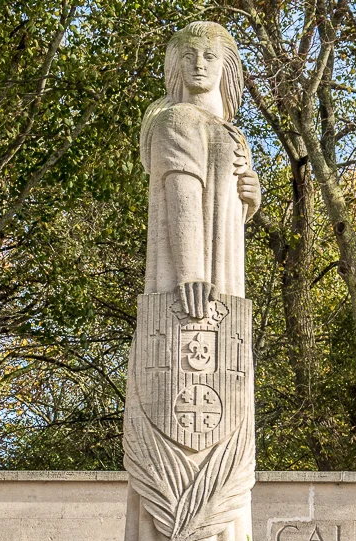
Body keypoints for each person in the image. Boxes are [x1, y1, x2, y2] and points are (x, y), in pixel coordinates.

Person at [140, 21, 261, 319]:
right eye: (189, 56)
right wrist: (190, 272)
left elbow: (225, 210)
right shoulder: (178, 118)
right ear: (176, 64)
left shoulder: (234, 134)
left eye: (209, 56)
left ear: (226, 65)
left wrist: (251, 199)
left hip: (227, 287)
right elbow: (182, 192)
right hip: (191, 290)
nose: (198, 65)